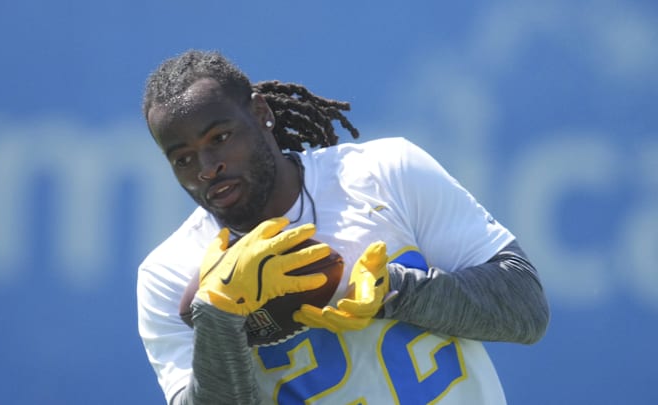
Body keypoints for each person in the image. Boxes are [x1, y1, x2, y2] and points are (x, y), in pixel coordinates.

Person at [137, 49, 550, 405]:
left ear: (261, 114)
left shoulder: (386, 172)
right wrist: (219, 316)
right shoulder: (167, 275)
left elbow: (526, 309)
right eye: (183, 158)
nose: (208, 168)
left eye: (220, 137)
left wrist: (395, 290)